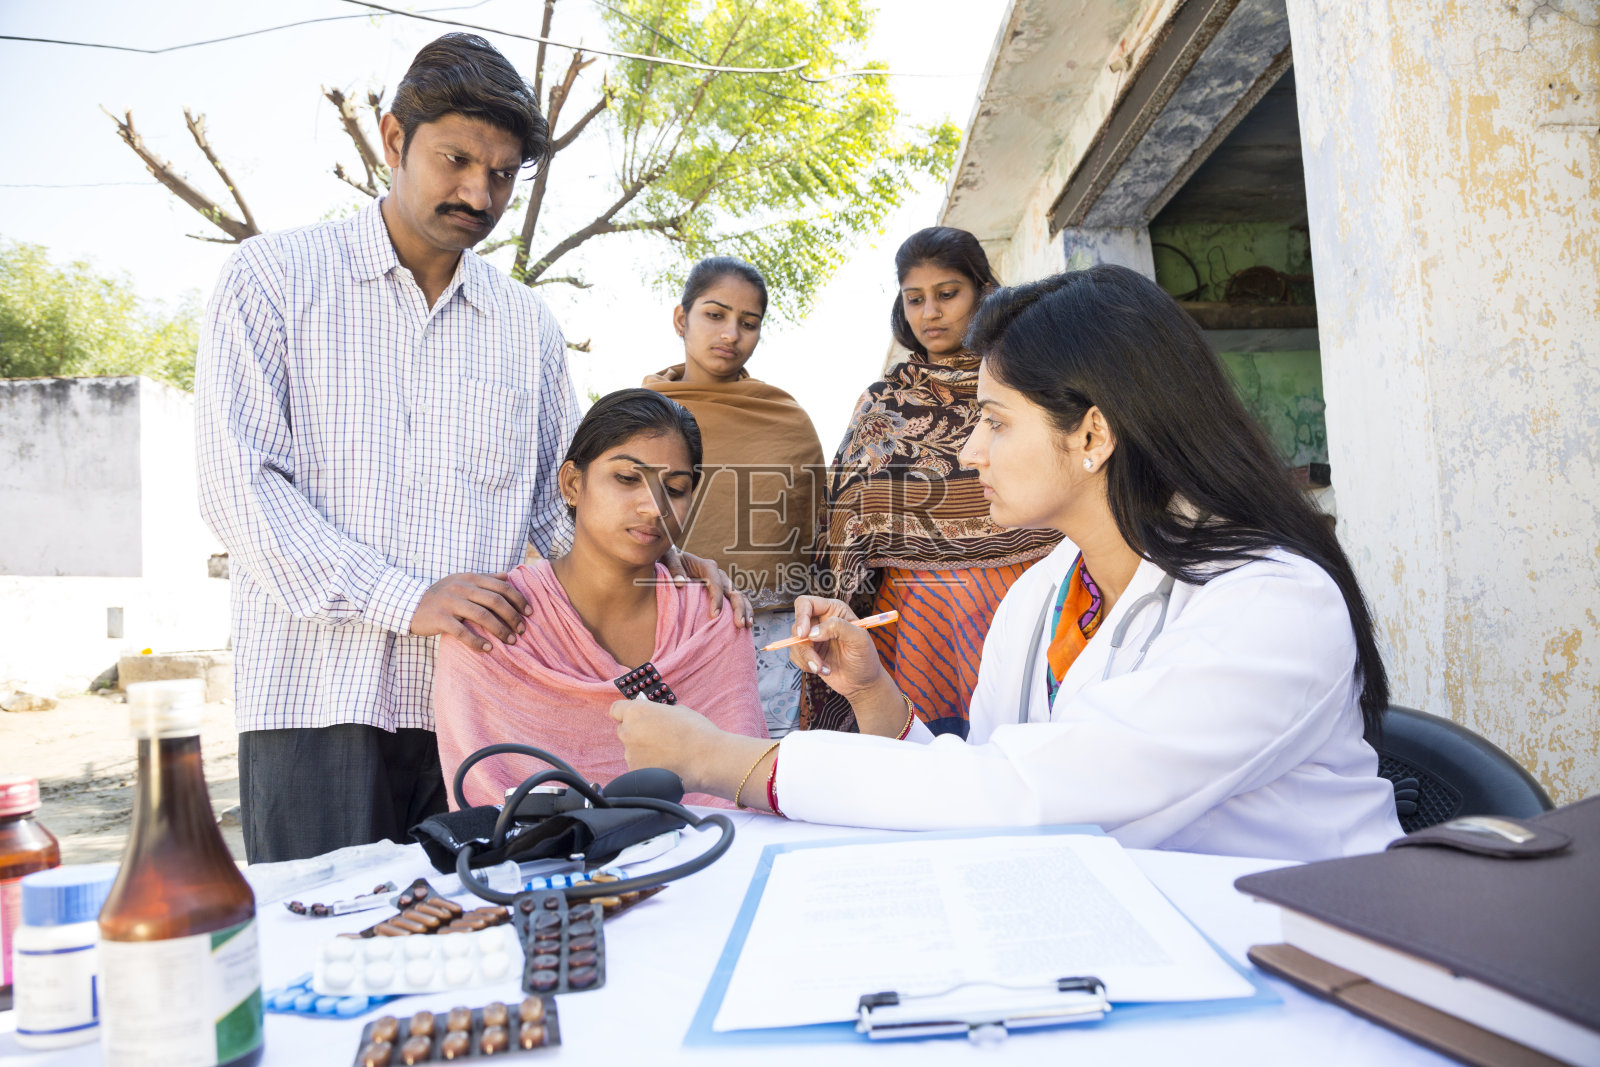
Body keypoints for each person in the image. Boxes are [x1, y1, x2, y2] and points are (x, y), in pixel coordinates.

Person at [611, 265, 1405, 862]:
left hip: (1311, 976)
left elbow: (1031, 801)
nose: (968, 450)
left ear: (1092, 435)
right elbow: (985, 781)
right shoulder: (1044, 593)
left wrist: (721, 758)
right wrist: (874, 693)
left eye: (994, 421)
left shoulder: (1271, 604)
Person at [196, 34, 743, 864]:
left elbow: (565, 510)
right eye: (455, 159)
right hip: (317, 694)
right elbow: (239, 487)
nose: (477, 192)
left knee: (487, 938)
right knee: (334, 943)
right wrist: (405, 596)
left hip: (494, 705)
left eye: (501, 174)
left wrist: (663, 572)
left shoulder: (526, 327)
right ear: (391, 140)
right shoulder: (273, 281)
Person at [434, 389, 768, 807]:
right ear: (573, 484)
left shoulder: (713, 618)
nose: (654, 507)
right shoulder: (493, 625)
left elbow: (741, 789)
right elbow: (488, 812)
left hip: (709, 861)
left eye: (676, 488)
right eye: (628, 479)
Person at [805, 227, 1060, 738]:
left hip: (1022, 596)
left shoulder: (1028, 385)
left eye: (948, 294)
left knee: (1022, 747)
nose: (930, 313)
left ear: (985, 292)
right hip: (916, 614)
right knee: (924, 764)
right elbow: (844, 517)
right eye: (915, 299)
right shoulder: (884, 401)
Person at [642, 258, 825, 738]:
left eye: (748, 323)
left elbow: (818, 534)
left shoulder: (785, 418)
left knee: (770, 778)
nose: (731, 334)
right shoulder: (638, 416)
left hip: (771, 640)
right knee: (672, 780)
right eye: (715, 315)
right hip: (663, 627)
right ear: (682, 319)